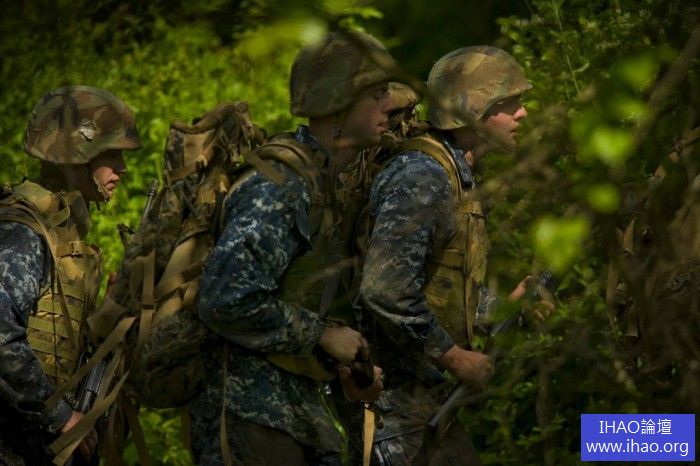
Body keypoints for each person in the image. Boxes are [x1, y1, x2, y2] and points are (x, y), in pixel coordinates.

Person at [189, 30, 407, 466]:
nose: (390, 104)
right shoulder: (281, 187)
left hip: (296, 417)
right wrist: (321, 334)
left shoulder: (323, 183)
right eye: (377, 94)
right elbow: (225, 299)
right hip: (252, 418)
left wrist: (340, 359)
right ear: (338, 104)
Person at [360, 46, 542, 465]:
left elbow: (439, 286)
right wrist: (455, 357)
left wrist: (503, 307)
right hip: (394, 406)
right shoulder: (423, 177)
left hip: (421, 402)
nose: (524, 113)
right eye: (510, 103)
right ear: (473, 111)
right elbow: (385, 290)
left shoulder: (456, 173)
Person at [0, 85, 142, 466]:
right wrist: (61, 418)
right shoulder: (25, 230)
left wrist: (106, 318)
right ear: (76, 156)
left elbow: (53, 340)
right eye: (112, 155)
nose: (123, 169)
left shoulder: (63, 230)